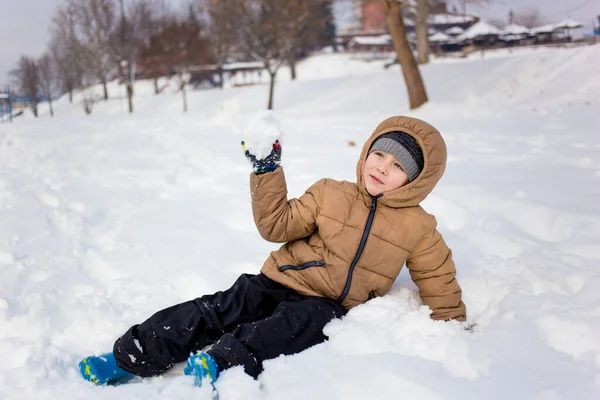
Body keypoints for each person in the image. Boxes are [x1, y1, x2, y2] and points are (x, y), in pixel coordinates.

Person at [79, 115, 466, 387]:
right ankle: (131, 354)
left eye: (398, 166)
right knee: (220, 307)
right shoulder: (330, 192)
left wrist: (451, 322)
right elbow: (276, 225)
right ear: (366, 152)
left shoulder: (418, 227)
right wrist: (266, 172)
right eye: (379, 154)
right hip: (277, 278)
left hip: (326, 303)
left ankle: (221, 362)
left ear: (416, 181)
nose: (382, 167)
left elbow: (437, 275)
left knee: (286, 328)